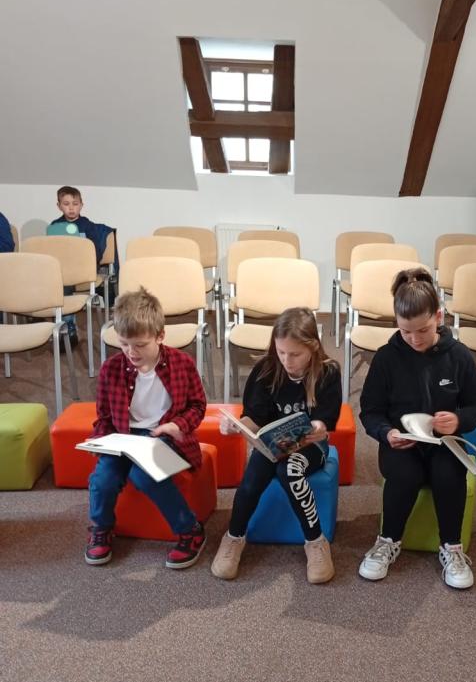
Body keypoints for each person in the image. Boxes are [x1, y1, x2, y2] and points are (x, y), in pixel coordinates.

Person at [358, 268, 476, 590]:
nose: (415, 339)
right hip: (402, 443)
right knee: (405, 476)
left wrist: (458, 420)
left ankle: (452, 547)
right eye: (405, 331)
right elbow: (370, 411)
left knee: (449, 474)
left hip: (445, 442)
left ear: (439, 317)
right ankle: (387, 540)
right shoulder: (386, 358)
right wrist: (386, 433)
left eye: (423, 330)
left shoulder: (459, 356)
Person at [212, 307, 342, 585]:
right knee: (252, 477)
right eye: (281, 352)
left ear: (313, 347)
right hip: (272, 444)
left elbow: (325, 421)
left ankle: (315, 541)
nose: (287, 360)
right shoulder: (267, 369)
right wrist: (237, 426)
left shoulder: (328, 371)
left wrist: (319, 427)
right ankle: (234, 536)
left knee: (289, 471)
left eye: (295, 354)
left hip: (310, 445)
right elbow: (254, 417)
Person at [85, 286, 207, 569]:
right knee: (102, 479)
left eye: (140, 345)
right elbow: (104, 416)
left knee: (145, 475)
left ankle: (190, 529)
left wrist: (177, 425)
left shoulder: (182, 364)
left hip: (163, 435)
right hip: (123, 437)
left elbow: (197, 406)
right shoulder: (111, 369)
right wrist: (100, 440)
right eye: (124, 344)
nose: (131, 352)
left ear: (160, 336)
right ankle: (101, 528)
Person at [50, 186, 116, 345]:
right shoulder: (55, 226)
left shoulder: (88, 226)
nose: (71, 208)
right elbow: (52, 251)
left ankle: (69, 328)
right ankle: (63, 326)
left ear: (81, 205)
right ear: (59, 206)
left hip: (85, 269)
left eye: (75, 204)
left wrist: (87, 263)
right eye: (66, 204)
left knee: (66, 282)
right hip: (64, 271)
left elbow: (96, 250)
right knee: (57, 281)